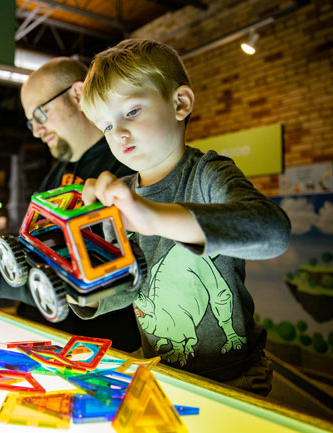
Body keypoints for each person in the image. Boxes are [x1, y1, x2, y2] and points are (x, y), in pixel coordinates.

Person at [76, 39, 291, 396]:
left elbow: (273, 231)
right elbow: (128, 287)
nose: (119, 133)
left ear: (180, 104)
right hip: (159, 368)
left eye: (131, 112)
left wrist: (153, 218)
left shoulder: (208, 174)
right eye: (106, 127)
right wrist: (80, 283)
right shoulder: (122, 193)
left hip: (233, 377)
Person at [0, 57, 142, 352]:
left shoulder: (125, 165)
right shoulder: (57, 174)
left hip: (96, 350)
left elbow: (104, 276)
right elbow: (32, 254)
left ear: (78, 94)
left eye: (41, 114)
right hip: (42, 339)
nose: (36, 130)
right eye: (31, 122)